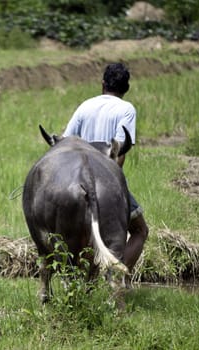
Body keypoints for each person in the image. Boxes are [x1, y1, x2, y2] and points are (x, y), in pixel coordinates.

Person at [62, 62, 149, 277]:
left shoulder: (85, 106)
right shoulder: (126, 109)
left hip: (76, 182)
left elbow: (65, 142)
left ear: (102, 84)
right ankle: (116, 277)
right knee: (140, 230)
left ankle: (78, 283)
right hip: (107, 181)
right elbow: (119, 150)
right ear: (126, 88)